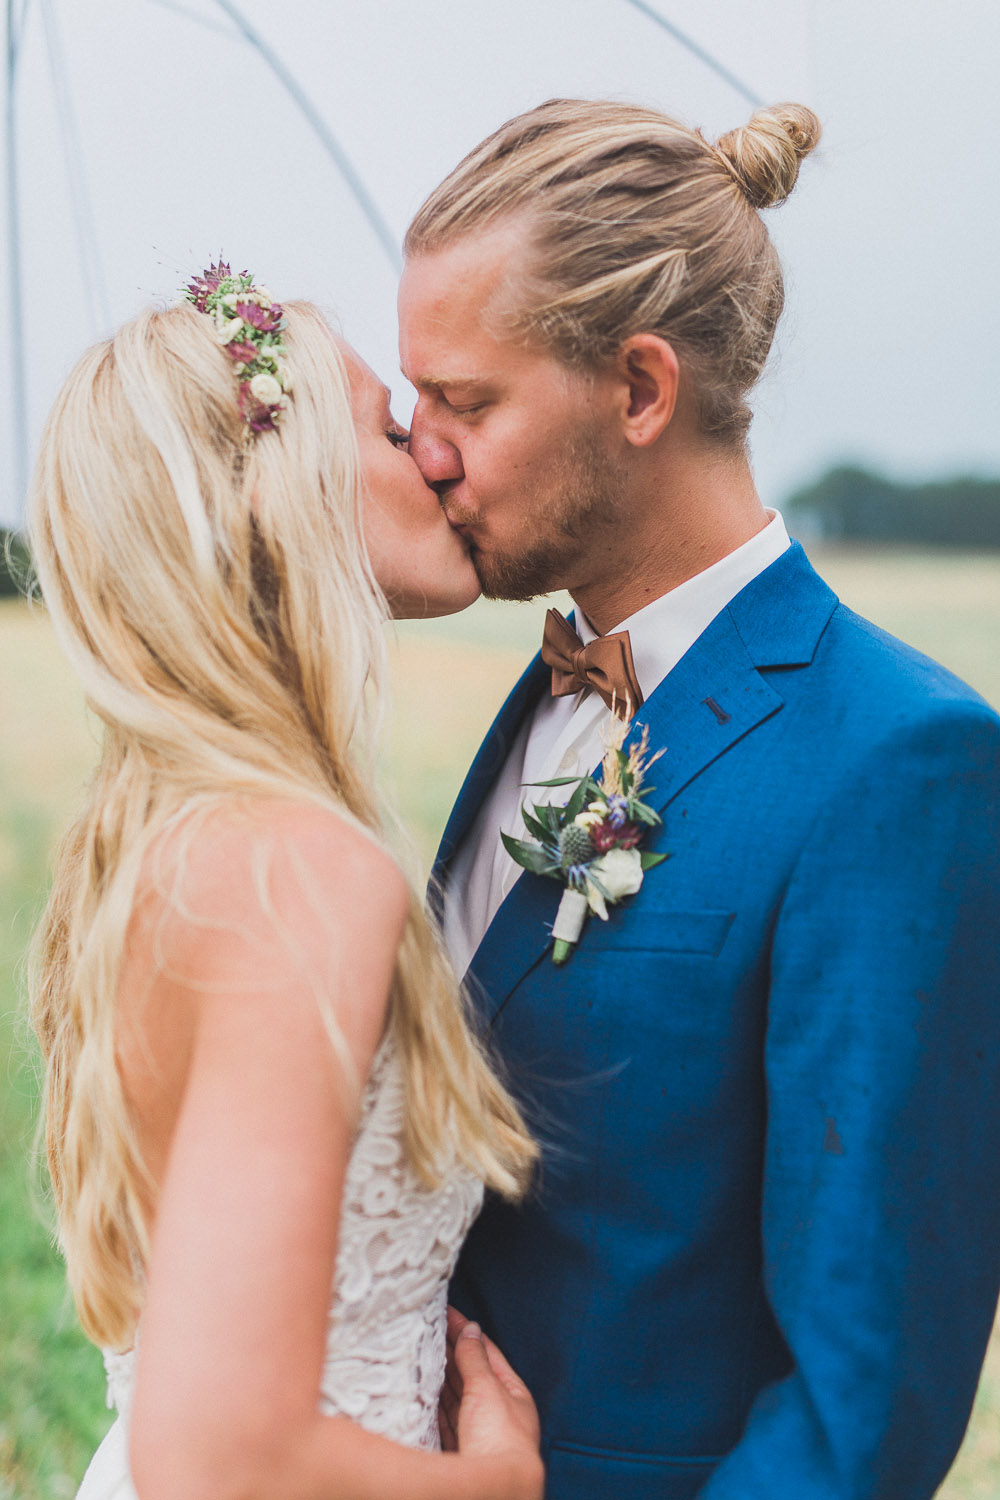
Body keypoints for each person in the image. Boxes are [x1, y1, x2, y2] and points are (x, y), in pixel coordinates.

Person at [398, 99, 1000, 1499]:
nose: (425, 449)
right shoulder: (540, 693)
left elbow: (864, 1407)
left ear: (641, 389)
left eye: (466, 402)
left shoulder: (902, 763)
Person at [27, 266, 545, 1500]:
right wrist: (494, 1488)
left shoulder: (169, 833)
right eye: (381, 424)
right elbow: (216, 1455)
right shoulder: (294, 870)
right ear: (276, 496)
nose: (426, 449)